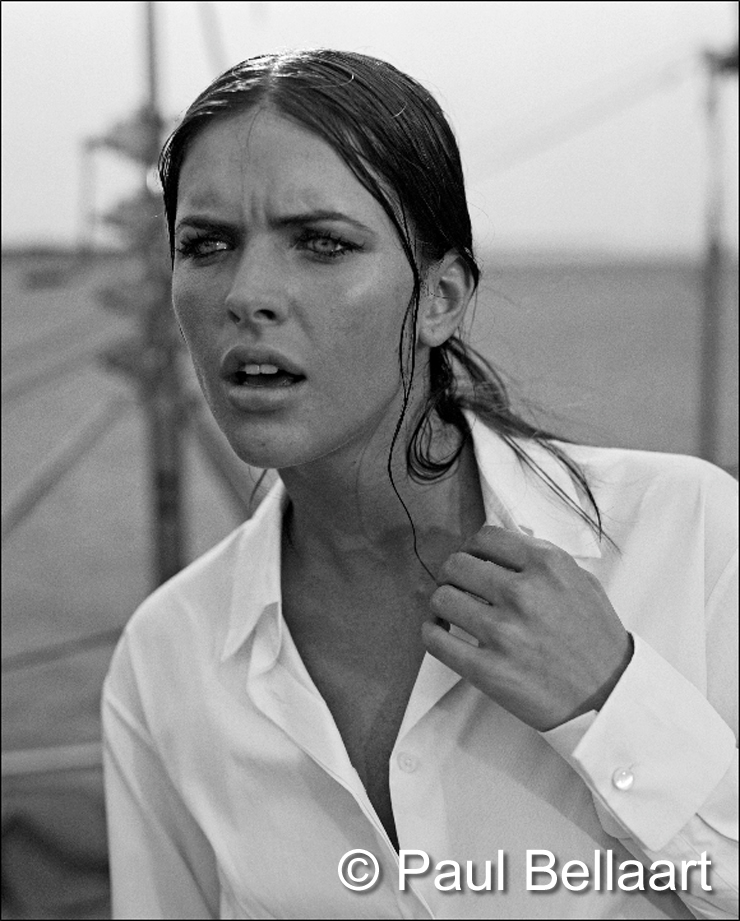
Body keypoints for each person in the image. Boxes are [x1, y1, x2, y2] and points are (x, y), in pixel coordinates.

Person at [102, 49, 738, 920]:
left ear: (440, 297)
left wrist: (612, 705)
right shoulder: (167, 660)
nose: (248, 294)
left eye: (322, 243)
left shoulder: (691, 540)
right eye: (206, 245)